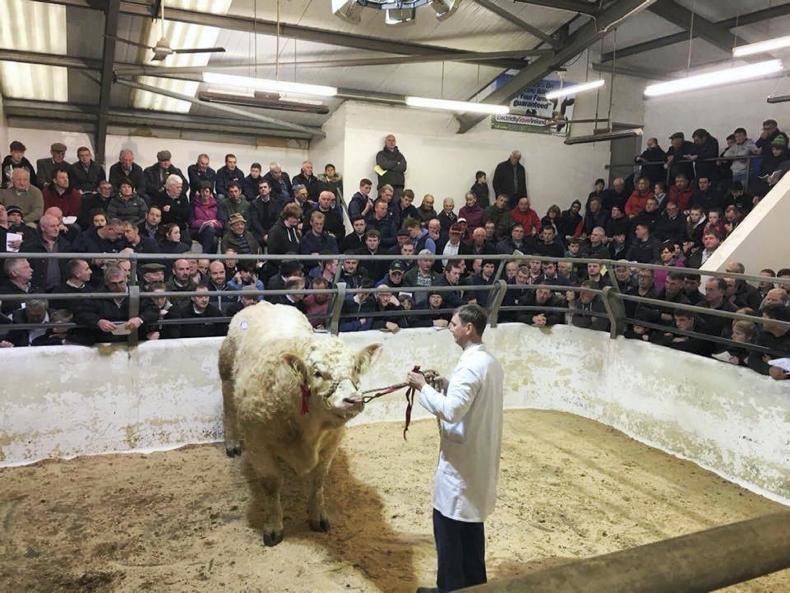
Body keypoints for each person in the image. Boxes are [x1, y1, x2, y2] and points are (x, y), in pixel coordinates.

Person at [407, 303, 504, 593]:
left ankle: (448, 589)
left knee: (450, 534)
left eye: (453, 324)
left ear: (468, 329)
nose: (450, 329)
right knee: (471, 533)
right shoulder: (488, 362)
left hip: (460, 467)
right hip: (477, 459)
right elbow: (468, 400)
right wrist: (446, 384)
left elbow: (451, 411)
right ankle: (475, 587)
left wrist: (423, 387)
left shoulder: (471, 365)